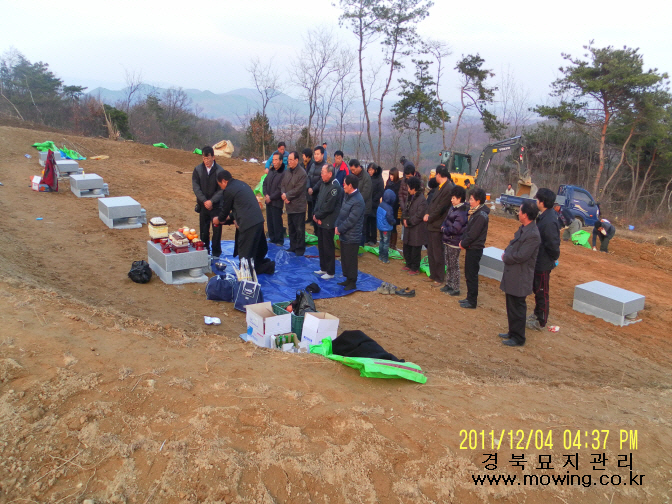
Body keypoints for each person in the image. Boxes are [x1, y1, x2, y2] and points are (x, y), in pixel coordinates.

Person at [213, 170, 275, 275]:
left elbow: (225, 211)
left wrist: (218, 219)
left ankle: (262, 268)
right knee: (255, 250)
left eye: (220, 185)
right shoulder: (241, 185)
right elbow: (241, 207)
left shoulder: (229, 190)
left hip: (248, 225)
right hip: (258, 220)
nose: (221, 188)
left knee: (245, 258)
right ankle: (264, 265)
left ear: (223, 181)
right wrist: (230, 218)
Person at [499, 201, 541, 347]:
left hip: (521, 275)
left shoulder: (533, 234)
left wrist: (506, 257)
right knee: (511, 304)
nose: (519, 213)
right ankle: (512, 332)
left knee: (518, 306)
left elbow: (522, 255)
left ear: (526, 215)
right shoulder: (525, 228)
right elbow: (514, 244)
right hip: (514, 273)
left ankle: (518, 337)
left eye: (521, 211)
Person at [527, 188, 561, 332]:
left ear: (542, 202)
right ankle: (537, 313)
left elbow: (553, 245)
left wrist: (552, 259)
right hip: (539, 260)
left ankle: (541, 321)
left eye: (537, 199)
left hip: (543, 262)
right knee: (538, 289)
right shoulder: (545, 216)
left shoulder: (549, 221)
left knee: (542, 291)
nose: (536, 201)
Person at [459, 188, 490, 309]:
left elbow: (473, 234)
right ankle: (469, 297)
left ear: (478, 201)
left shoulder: (481, 216)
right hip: (471, 247)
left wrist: (463, 243)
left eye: (471, 199)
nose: (469, 201)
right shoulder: (475, 212)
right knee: (468, 273)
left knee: (472, 274)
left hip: (475, 248)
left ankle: (472, 301)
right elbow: (468, 230)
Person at [423, 165, 454, 286]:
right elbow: (432, 204)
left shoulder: (448, 188)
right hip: (432, 223)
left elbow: (441, 208)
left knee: (437, 252)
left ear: (439, 175)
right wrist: (427, 213)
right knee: (431, 251)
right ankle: (432, 274)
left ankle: (439, 277)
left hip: (438, 224)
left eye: (436, 174)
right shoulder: (439, 187)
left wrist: (429, 217)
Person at [192, 145, 225, 258]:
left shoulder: (220, 171)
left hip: (216, 206)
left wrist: (212, 201)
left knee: (217, 230)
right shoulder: (198, 170)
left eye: (208, 158)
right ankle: (205, 251)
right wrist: (204, 201)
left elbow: (222, 189)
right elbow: (196, 187)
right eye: (204, 158)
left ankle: (216, 253)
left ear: (213, 157)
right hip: (203, 206)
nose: (206, 161)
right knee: (204, 230)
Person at [335, 174, 366, 290]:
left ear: (351, 186)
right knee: (345, 258)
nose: (343, 186)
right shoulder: (347, 196)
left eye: (345, 184)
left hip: (352, 235)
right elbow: (342, 212)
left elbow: (351, 220)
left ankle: (352, 281)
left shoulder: (358, 201)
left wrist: (340, 228)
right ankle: (347, 278)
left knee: (351, 259)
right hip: (344, 233)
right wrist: (337, 225)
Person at [313, 163, 343, 280]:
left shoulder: (335, 186)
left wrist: (318, 216)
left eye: (323, 172)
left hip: (329, 221)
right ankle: (323, 267)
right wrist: (315, 214)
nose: (321, 175)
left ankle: (330, 271)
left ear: (330, 174)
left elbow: (328, 207)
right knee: (321, 245)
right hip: (320, 219)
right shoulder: (323, 184)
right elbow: (318, 200)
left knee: (328, 246)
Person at [440, 185, 468, 295]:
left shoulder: (461, 212)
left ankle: (455, 288)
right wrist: (444, 227)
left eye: (453, 198)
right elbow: (446, 220)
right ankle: (449, 284)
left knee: (454, 265)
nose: (451, 200)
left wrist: (444, 230)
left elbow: (455, 229)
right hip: (448, 240)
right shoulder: (453, 208)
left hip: (454, 242)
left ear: (459, 199)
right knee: (448, 263)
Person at [281, 151, 308, 256]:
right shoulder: (287, 171)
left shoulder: (302, 173)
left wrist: (287, 196)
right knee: (291, 227)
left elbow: (298, 189)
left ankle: (300, 249)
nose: (289, 162)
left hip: (298, 206)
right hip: (289, 205)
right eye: (288, 160)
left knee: (299, 229)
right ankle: (292, 246)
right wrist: (284, 195)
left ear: (296, 160)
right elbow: (283, 184)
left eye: (291, 160)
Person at [402, 177, 428, 276]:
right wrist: (404, 219)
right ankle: (408, 264)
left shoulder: (422, 200)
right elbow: (405, 209)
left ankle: (415, 268)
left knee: (415, 249)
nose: (408, 189)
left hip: (417, 228)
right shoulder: (409, 197)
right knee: (406, 247)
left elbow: (419, 215)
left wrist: (409, 222)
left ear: (414, 188)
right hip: (408, 227)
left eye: (409, 187)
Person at [262, 152, 286, 245]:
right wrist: (266, 194)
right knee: (270, 221)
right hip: (268, 201)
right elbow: (264, 183)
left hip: (276, 202)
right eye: (273, 160)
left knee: (277, 222)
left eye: (276, 160)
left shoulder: (283, 173)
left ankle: (279, 240)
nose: (274, 162)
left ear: (281, 161)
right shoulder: (271, 171)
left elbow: (281, 189)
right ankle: (272, 238)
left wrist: (271, 197)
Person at [349, 159, 372, 247]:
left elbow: (365, 194)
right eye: (351, 170)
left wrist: (354, 201)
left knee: (361, 228)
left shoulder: (366, 177)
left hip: (364, 207)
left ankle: (360, 247)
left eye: (354, 170)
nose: (352, 172)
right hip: (353, 206)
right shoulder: (352, 176)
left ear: (358, 167)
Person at [367, 163, 384, 246]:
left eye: (371, 170)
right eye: (369, 170)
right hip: (367, 202)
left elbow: (381, 191)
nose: (370, 172)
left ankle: (373, 239)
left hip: (374, 203)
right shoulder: (367, 177)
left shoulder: (379, 179)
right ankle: (367, 237)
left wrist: (373, 200)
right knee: (366, 221)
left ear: (375, 170)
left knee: (373, 221)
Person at [377, 189, 396, 264]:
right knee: (386, 243)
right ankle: (385, 258)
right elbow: (390, 219)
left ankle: (380, 256)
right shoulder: (389, 208)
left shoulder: (381, 204)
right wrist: (394, 222)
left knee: (381, 241)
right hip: (386, 228)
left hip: (380, 226)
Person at [385, 167, 402, 250]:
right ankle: (388, 243)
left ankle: (393, 245)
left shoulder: (399, 184)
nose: (391, 177)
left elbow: (398, 197)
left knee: (393, 226)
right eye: (390, 175)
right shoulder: (388, 183)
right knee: (387, 225)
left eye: (392, 175)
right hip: (387, 207)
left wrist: (393, 207)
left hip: (395, 209)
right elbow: (385, 193)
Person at [303, 148, 319, 225]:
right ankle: (309, 218)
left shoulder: (312, 163)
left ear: (307, 156)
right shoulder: (307, 163)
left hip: (314, 188)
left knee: (313, 204)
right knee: (309, 203)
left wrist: (312, 188)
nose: (303, 157)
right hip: (309, 186)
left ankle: (313, 219)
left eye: (303, 155)